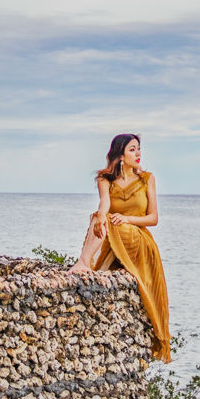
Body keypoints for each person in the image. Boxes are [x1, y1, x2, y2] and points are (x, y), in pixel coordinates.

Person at [69, 133, 171, 363]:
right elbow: (104, 203)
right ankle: (84, 262)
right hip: (115, 231)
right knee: (98, 216)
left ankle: (85, 262)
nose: (138, 154)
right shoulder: (105, 179)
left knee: (113, 223)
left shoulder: (147, 179)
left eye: (139, 149)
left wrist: (126, 219)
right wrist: (102, 216)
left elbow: (153, 218)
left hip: (139, 238)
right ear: (121, 155)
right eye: (133, 149)